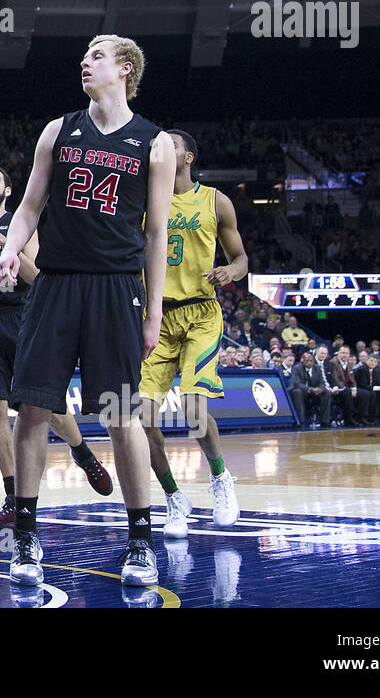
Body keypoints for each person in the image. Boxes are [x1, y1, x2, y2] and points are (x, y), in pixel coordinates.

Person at [0, 34, 172, 589]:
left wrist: (153, 313)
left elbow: (157, 234)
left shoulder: (155, 143)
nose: (84, 63)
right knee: (33, 410)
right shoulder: (59, 128)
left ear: (125, 69)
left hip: (118, 289)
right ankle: (26, 534)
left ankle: (140, 542)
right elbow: (28, 206)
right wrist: (7, 249)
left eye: (96, 56)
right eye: (85, 56)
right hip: (56, 286)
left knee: (122, 415)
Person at [0, 166, 113, 529]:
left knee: (43, 407)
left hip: (21, 316)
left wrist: (1, 240)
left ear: (8, 191)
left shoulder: (21, 225)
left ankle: (83, 454)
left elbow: (37, 276)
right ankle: (13, 499)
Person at [139, 130, 245, 539]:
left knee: (194, 411)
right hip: (158, 318)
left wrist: (230, 272)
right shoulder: (145, 201)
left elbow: (241, 258)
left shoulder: (216, 200)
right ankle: (173, 498)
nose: (160, 149)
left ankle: (221, 479)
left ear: (187, 157)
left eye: (170, 144)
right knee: (140, 418)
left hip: (201, 314)